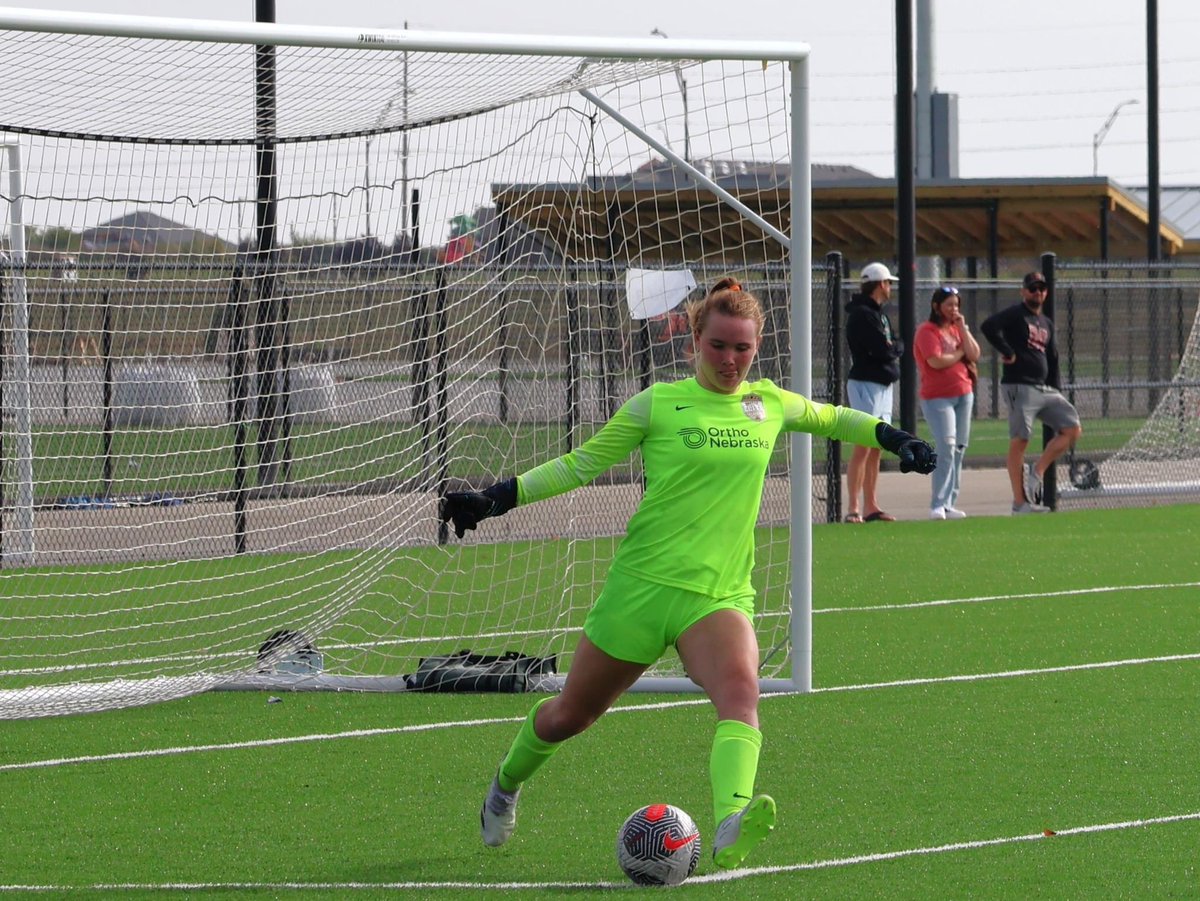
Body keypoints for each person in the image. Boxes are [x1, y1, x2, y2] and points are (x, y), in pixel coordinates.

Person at [441, 277, 935, 870]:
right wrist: (494, 499)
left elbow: (834, 419)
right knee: (570, 716)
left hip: (718, 597)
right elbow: (580, 464)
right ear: (694, 340)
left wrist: (895, 437)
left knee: (741, 693)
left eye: (743, 348)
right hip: (641, 591)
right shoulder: (658, 403)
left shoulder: (768, 403)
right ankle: (505, 785)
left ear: (757, 348)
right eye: (719, 346)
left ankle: (731, 819)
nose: (731, 359)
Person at [980, 271, 1083, 514]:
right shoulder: (1017, 314)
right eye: (1033, 288)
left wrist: (1056, 388)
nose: (1038, 292)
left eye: (1041, 288)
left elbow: (1053, 358)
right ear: (1023, 291)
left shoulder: (1046, 323)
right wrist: (1006, 350)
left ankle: (1037, 471)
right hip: (1019, 385)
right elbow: (989, 326)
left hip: (1043, 388)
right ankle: (1020, 503)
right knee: (1021, 439)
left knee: (1072, 428)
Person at [843, 261, 904, 523]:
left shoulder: (879, 314)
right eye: (888, 282)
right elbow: (883, 349)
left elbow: (895, 344)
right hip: (865, 384)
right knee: (864, 444)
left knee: (877, 445)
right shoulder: (862, 314)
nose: (890, 287)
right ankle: (854, 507)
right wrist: (893, 348)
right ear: (880, 284)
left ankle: (871, 505)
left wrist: (893, 347)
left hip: (883, 385)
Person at [913, 286, 981, 520]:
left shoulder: (957, 329)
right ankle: (937, 504)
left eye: (956, 304)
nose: (954, 309)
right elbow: (936, 361)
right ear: (936, 306)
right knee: (946, 447)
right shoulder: (926, 331)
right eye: (949, 305)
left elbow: (975, 354)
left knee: (959, 448)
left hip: (964, 394)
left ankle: (950, 502)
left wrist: (963, 329)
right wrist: (960, 352)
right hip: (937, 397)